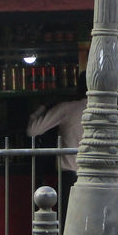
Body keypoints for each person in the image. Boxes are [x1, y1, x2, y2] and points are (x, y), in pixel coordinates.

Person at [27, 73, 87, 206]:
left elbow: (32, 130)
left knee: (68, 222)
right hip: (99, 176)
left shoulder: (68, 108)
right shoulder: (106, 110)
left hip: (71, 177)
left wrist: (43, 106)